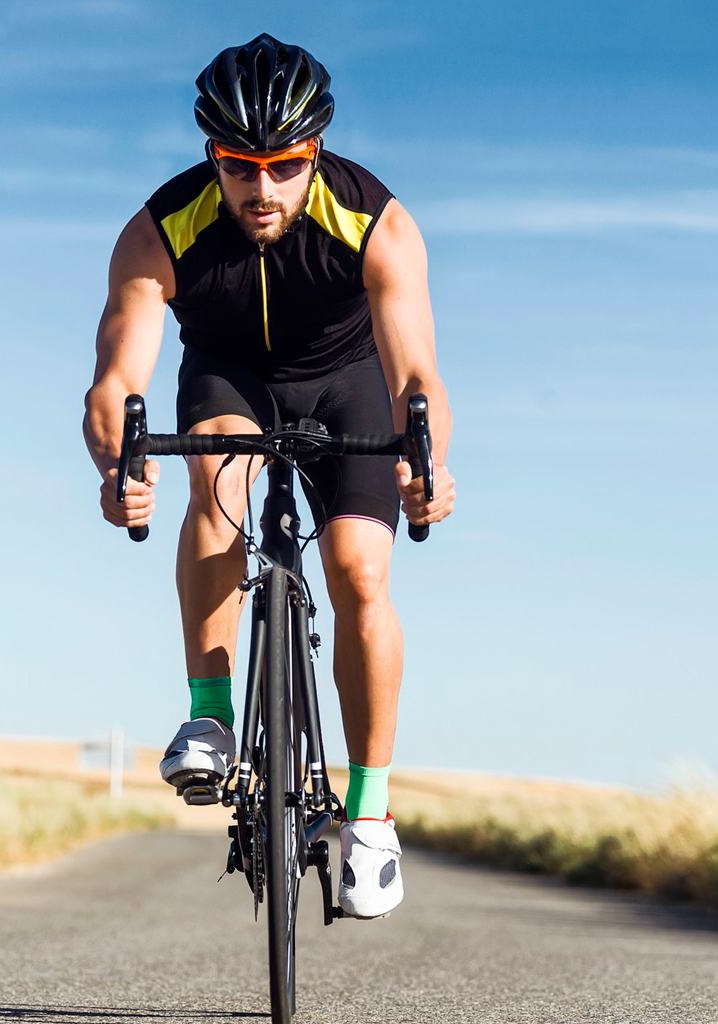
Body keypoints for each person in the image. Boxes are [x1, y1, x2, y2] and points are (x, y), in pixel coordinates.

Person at [81, 34, 455, 919]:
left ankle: (369, 815)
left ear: (313, 153)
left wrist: (428, 465)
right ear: (212, 155)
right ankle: (210, 713)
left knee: (360, 570)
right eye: (240, 167)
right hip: (229, 379)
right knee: (215, 456)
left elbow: (417, 377)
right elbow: (114, 381)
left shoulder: (377, 221)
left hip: (345, 383)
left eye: (284, 167)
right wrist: (117, 467)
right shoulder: (156, 230)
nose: (262, 189)